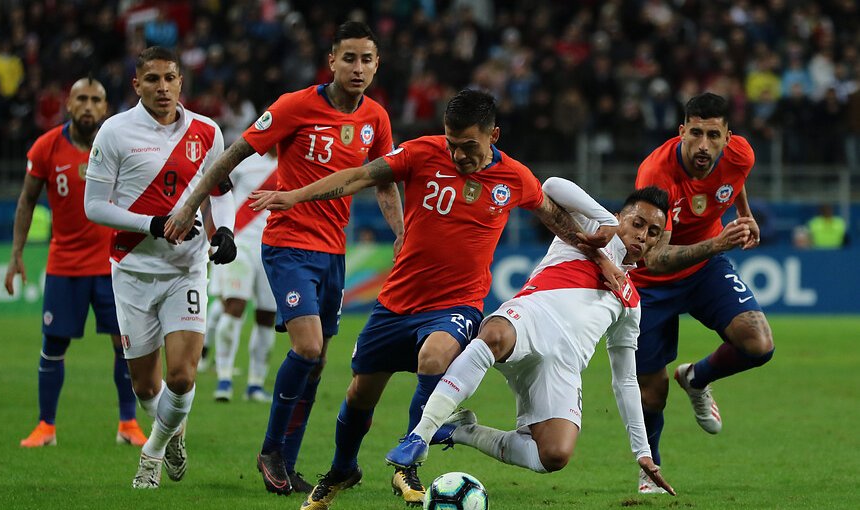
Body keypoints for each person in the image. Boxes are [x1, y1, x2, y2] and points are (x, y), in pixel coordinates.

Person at [249, 89, 624, 509]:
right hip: (397, 301)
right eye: (452, 143)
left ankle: (409, 462)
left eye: (469, 146)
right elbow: (358, 176)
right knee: (360, 394)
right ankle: (341, 469)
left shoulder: (514, 177)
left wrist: (599, 256)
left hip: (457, 304)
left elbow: (557, 219)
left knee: (434, 356)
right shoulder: (420, 153)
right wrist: (296, 195)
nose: (459, 155)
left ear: (493, 136)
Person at [164, 21, 404, 495]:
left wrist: (402, 235)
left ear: (377, 65)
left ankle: (288, 463)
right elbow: (233, 154)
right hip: (289, 243)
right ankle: (271, 448)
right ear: (331, 61)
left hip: (333, 251)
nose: (358, 68)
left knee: (317, 363)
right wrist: (191, 205)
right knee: (309, 348)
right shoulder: (295, 105)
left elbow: (384, 180)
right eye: (349, 58)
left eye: (367, 60)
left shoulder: (375, 118)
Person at [385, 181, 675, 497]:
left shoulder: (631, 301)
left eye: (653, 232)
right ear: (620, 218)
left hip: (563, 366)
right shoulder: (591, 227)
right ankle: (420, 435)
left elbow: (626, 380)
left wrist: (641, 451)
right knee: (495, 334)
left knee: (553, 455)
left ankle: (458, 431)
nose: (642, 235)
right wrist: (604, 226)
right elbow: (551, 186)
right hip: (531, 318)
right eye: (637, 223)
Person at [83, 46, 237, 489]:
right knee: (146, 387)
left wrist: (222, 230)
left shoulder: (207, 132)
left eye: (170, 78)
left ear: (181, 81)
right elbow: (94, 205)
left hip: (185, 269)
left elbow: (220, 189)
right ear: (137, 85)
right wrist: (151, 224)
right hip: (131, 269)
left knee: (183, 375)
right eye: (153, 79)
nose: (163, 87)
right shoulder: (114, 132)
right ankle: (168, 434)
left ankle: (151, 453)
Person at [630, 92, 775, 494]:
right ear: (682, 131)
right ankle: (651, 472)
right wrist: (716, 244)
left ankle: (696, 378)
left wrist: (743, 214)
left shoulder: (741, 154)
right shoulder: (656, 174)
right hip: (651, 282)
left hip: (705, 269)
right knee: (652, 391)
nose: (704, 145)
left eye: (714, 135)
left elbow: (734, 180)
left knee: (758, 343)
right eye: (696, 133)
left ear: (729, 137)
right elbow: (654, 257)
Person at [5, 77, 148, 449]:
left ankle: (128, 423)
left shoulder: (121, 144)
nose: (88, 106)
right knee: (53, 345)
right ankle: (46, 427)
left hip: (113, 265)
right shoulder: (46, 147)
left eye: (95, 100)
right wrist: (16, 254)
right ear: (68, 105)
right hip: (65, 266)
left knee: (125, 344)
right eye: (81, 99)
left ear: (105, 107)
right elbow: (26, 201)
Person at [210, 151, 279, 403]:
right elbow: (218, 197)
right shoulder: (243, 160)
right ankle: (224, 378)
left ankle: (255, 384)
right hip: (240, 244)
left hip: (273, 247)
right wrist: (214, 235)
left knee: (266, 316)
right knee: (234, 306)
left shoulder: (292, 161)